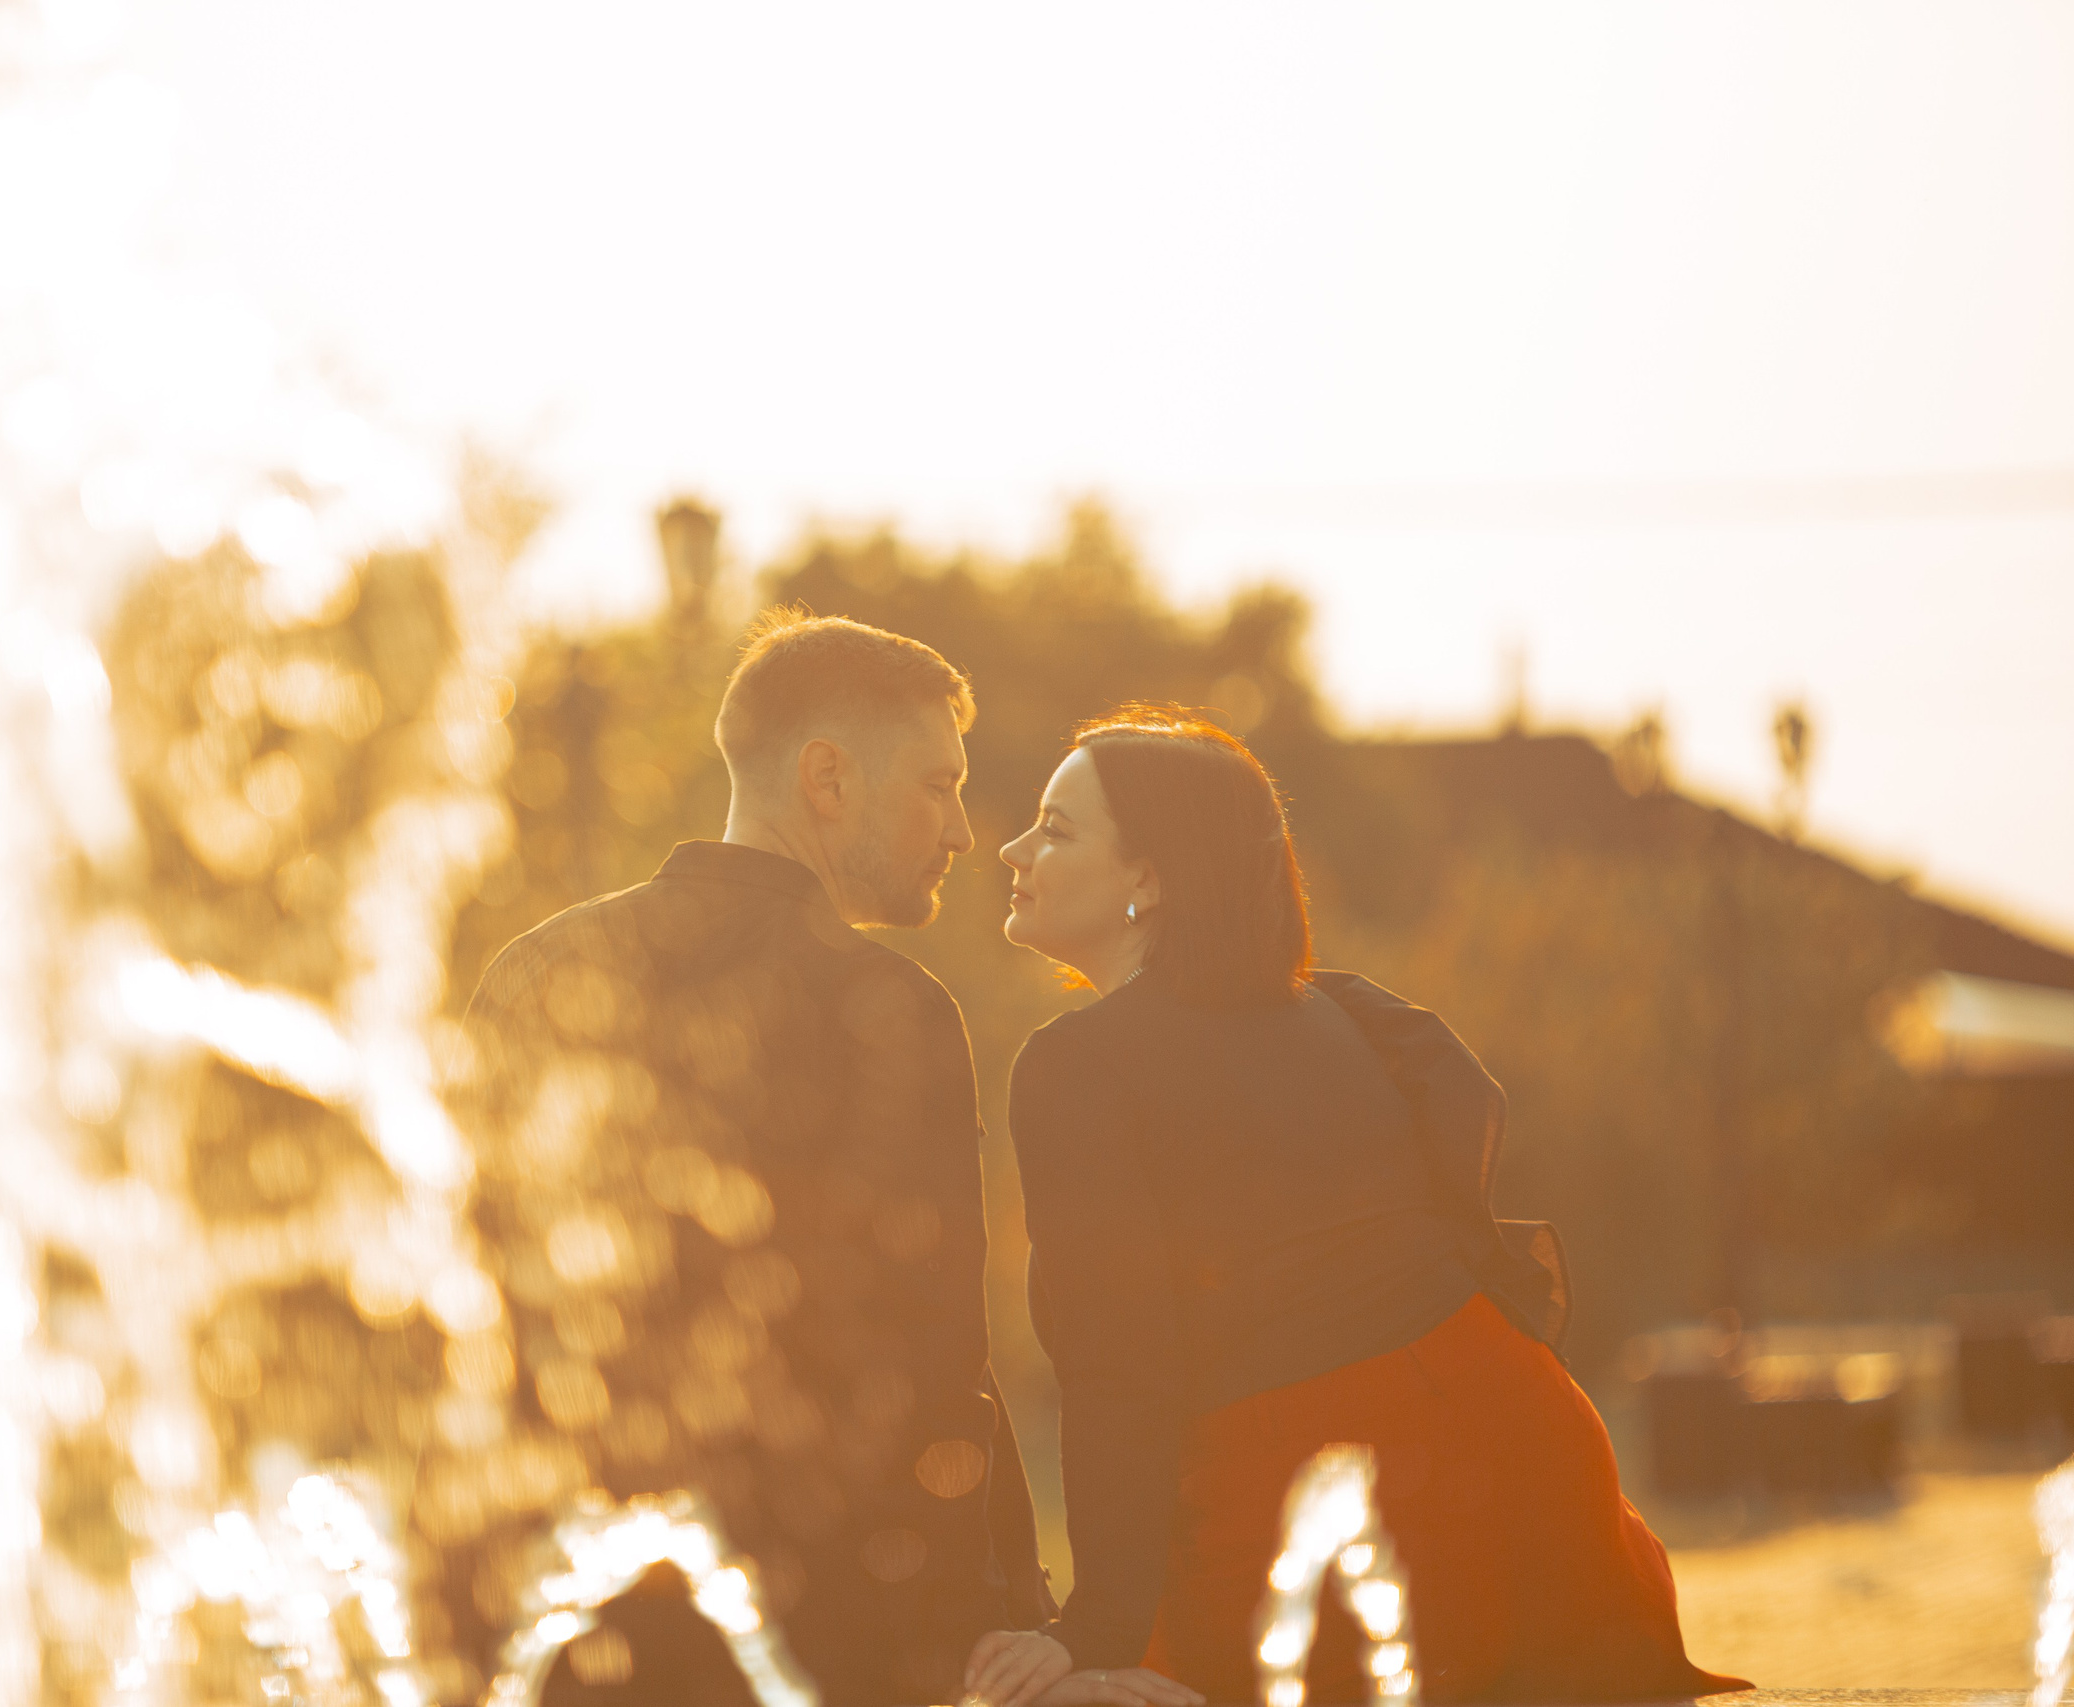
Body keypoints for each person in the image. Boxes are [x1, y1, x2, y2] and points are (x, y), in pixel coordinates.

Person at [963, 706, 1750, 1707]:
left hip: (1323, 1503)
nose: (1013, 846)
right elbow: (1466, 1143)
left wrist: (1098, 1628)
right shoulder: (1349, 1010)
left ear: (1150, 880)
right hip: (1530, 1460)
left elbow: (1118, 1361)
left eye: (1055, 827)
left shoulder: (1074, 1064)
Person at [462, 612, 1054, 1706]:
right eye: (937, 785)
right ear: (825, 777)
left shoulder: (536, 970)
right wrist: (1001, 1611)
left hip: (562, 1615)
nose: (964, 831)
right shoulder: (888, 1009)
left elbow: (475, 1310)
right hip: (811, 1627)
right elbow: (935, 1357)